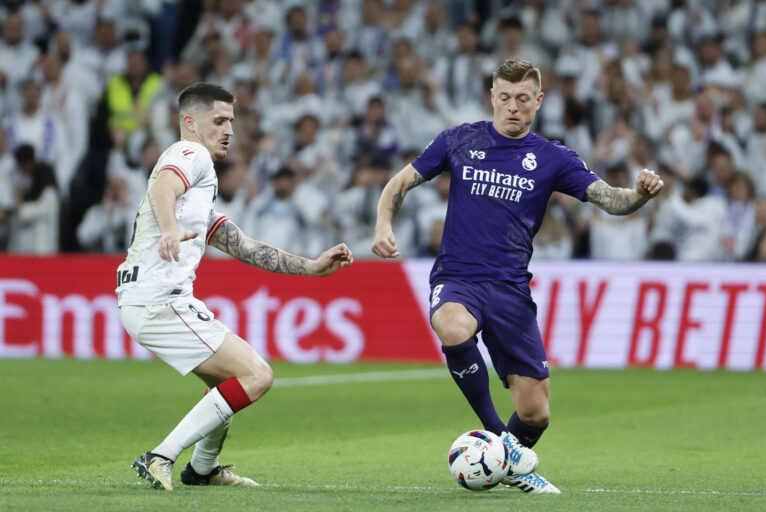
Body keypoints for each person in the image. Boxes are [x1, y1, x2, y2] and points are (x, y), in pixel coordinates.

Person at [371, 58, 663, 494]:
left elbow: (610, 200)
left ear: (538, 101)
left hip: (510, 289)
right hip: (459, 276)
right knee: (452, 326)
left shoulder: (553, 157)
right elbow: (399, 183)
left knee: (535, 413)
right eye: (504, 98)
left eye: (522, 99)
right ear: (492, 97)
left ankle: (507, 462)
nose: (512, 107)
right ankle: (502, 448)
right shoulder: (459, 139)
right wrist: (383, 226)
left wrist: (638, 195)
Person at [117, 82, 353, 491]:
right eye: (220, 120)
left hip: (151, 300)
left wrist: (312, 267)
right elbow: (161, 188)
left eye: (232, 121)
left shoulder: (198, 192)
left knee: (226, 385)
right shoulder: (189, 154)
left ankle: (203, 468)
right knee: (257, 375)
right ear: (190, 123)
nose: (229, 129)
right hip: (159, 300)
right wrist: (170, 229)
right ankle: (160, 456)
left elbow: (245, 247)